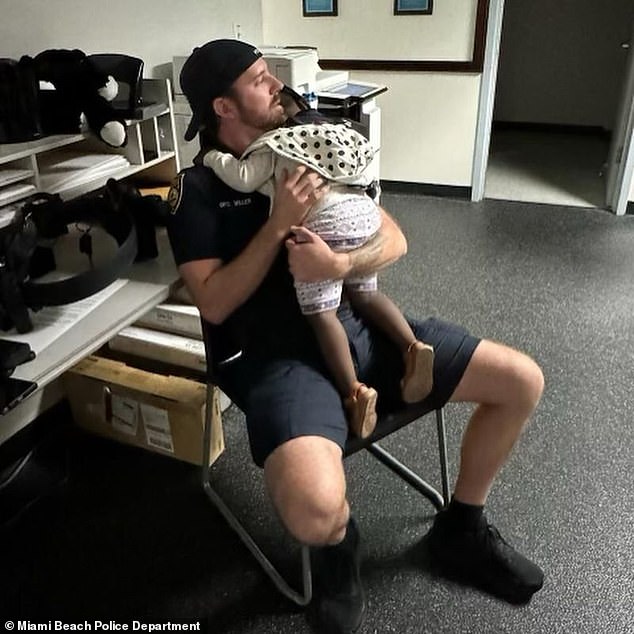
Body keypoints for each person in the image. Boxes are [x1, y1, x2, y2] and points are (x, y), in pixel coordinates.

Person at [167, 39, 545, 634]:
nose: (275, 86)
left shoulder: (306, 135)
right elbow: (212, 303)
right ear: (223, 106)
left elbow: (392, 236)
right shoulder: (200, 191)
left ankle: (462, 526)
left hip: (363, 321)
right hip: (281, 359)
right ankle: (338, 553)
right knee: (316, 513)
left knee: (521, 382)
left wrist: (341, 269)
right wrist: (278, 226)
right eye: (260, 80)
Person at [201, 109, 435, 439]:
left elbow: (243, 177)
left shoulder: (275, 147)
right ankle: (413, 347)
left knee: (322, 314)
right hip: (362, 215)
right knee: (366, 295)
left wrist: (212, 157)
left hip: (325, 225)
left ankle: (355, 392)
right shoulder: (327, 144)